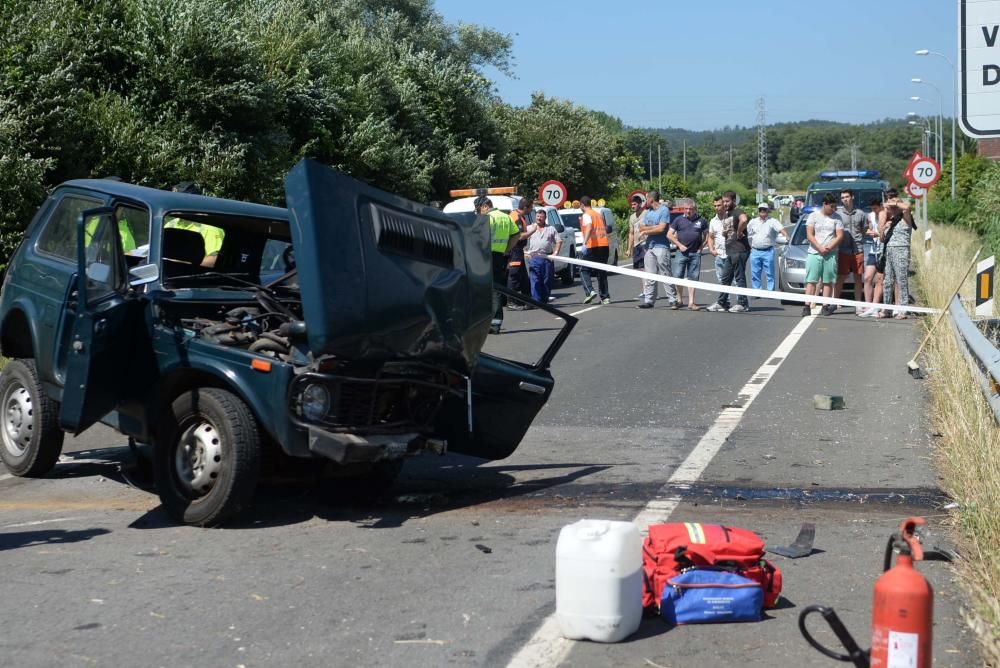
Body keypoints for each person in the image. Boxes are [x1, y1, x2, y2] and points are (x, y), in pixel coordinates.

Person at [478, 196, 521, 334]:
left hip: (486, 255)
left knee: (484, 288)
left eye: (478, 210)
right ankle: (495, 323)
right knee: (495, 288)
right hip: (498, 256)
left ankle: (487, 323)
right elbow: (516, 235)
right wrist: (506, 249)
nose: (479, 213)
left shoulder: (487, 218)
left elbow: (480, 238)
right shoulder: (505, 217)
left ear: (485, 206)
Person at [803, 192, 844, 317]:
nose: (833, 209)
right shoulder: (813, 216)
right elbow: (809, 234)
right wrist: (820, 247)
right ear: (824, 204)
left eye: (834, 207)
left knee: (828, 281)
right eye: (831, 206)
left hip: (830, 253)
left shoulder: (837, 218)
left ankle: (825, 305)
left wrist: (829, 247)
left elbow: (840, 235)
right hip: (814, 252)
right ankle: (807, 305)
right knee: (811, 280)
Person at [636, 191, 677, 309]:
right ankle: (649, 300)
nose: (645, 201)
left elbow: (662, 229)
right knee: (650, 274)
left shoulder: (663, 210)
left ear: (651, 199)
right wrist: (654, 227)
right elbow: (641, 227)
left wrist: (646, 231)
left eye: (646, 199)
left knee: (665, 273)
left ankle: (672, 300)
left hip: (661, 246)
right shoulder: (648, 212)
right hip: (649, 247)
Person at [879, 191, 916, 320]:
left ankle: (903, 309)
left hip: (901, 250)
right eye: (891, 209)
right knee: (887, 281)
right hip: (889, 250)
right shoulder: (891, 221)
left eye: (894, 208)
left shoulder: (905, 218)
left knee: (901, 280)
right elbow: (882, 240)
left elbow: (907, 207)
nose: (892, 210)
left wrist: (895, 202)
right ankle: (887, 308)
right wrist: (883, 230)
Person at [667, 198, 707, 310]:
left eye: (690, 209)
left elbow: (707, 235)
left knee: (693, 277)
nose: (688, 211)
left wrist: (701, 247)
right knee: (678, 276)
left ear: (695, 209)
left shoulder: (701, 220)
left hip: (695, 253)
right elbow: (669, 235)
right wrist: (679, 245)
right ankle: (679, 300)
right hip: (681, 252)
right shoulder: (678, 220)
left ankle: (691, 302)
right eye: (686, 208)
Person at [833, 189, 868, 313]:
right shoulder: (837, 214)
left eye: (847, 196)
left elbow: (864, 230)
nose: (845, 199)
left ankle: (858, 304)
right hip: (843, 249)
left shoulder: (861, 213)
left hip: (858, 249)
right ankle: (835, 302)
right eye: (842, 197)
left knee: (858, 278)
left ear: (852, 197)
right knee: (841, 277)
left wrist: (859, 239)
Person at [717, 191, 750, 313]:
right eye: (723, 201)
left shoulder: (737, 211)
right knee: (725, 277)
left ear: (734, 201)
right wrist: (725, 233)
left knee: (739, 277)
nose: (725, 204)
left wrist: (740, 231)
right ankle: (722, 302)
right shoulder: (728, 214)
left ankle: (742, 303)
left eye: (727, 201)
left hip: (739, 250)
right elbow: (730, 229)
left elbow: (744, 219)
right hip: (730, 251)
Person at [524, 207, 562, 304]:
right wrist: (525, 252)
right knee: (535, 280)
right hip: (534, 258)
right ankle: (536, 301)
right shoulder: (529, 228)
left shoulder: (550, 229)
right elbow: (521, 239)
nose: (539, 219)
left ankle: (544, 299)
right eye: (537, 217)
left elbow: (559, 241)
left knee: (547, 280)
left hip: (547, 258)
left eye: (541, 217)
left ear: (545, 218)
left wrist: (555, 252)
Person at [578, 196, 611, 305]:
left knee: (583, 269)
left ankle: (590, 291)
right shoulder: (598, 214)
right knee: (601, 271)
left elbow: (589, 227)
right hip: (604, 245)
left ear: (582, 205)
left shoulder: (587, 215)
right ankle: (605, 297)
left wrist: (584, 243)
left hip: (592, 246)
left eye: (580, 206)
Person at [747, 202, 787, 291]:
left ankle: (770, 291)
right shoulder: (753, 222)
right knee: (755, 273)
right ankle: (757, 291)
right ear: (758, 211)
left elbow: (781, 229)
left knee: (769, 273)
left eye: (764, 209)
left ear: (767, 211)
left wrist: (787, 236)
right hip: (755, 251)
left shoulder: (772, 221)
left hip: (768, 251)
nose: (762, 211)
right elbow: (746, 232)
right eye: (760, 209)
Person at [858, 200, 885, 318]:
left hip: (883, 250)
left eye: (876, 208)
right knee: (868, 277)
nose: (874, 210)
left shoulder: (885, 214)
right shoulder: (871, 216)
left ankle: (877, 305)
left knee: (880, 280)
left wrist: (878, 233)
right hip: (873, 250)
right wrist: (870, 232)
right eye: (872, 208)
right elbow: (868, 229)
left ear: (880, 206)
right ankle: (868, 305)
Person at [506, 198, 534, 307]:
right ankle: (511, 301)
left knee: (523, 276)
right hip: (514, 250)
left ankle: (527, 299)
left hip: (518, 250)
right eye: (531, 208)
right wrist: (533, 231)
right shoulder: (516, 217)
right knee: (514, 275)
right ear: (526, 207)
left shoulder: (519, 216)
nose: (531, 210)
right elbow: (520, 236)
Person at [705, 196, 731, 312]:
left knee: (735, 280)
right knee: (721, 279)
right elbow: (710, 237)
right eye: (715, 206)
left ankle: (742, 302)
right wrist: (711, 249)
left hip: (731, 254)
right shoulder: (713, 221)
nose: (717, 208)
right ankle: (725, 302)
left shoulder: (731, 217)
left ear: (724, 205)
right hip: (719, 254)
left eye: (719, 205)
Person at [626, 195, 647, 298]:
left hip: (645, 244)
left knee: (646, 269)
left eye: (634, 204)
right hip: (636, 245)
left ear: (639, 204)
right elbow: (631, 233)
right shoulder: (632, 217)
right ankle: (645, 291)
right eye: (631, 204)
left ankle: (647, 291)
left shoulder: (646, 214)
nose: (632, 206)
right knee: (641, 269)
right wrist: (629, 249)